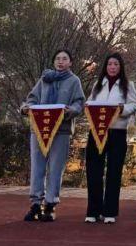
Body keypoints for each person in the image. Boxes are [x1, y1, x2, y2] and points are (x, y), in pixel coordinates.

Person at [20, 49, 86, 222]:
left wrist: (71, 110)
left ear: (70, 63)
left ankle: (50, 204)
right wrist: (27, 108)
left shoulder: (74, 81)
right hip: (39, 129)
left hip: (61, 130)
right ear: (54, 61)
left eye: (64, 59)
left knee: (56, 168)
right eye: (57, 58)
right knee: (37, 167)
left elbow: (79, 102)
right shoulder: (45, 79)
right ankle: (35, 204)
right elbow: (32, 98)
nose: (60, 61)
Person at [84, 53, 136, 224]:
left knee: (114, 172)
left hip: (117, 131)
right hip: (97, 132)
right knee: (94, 171)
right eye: (109, 64)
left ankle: (109, 211)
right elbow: (90, 102)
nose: (112, 67)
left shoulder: (128, 85)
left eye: (116, 64)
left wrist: (122, 109)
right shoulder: (98, 84)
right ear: (105, 67)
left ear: (120, 67)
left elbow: (133, 105)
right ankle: (93, 211)